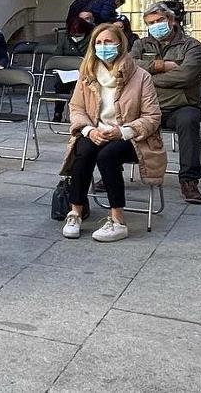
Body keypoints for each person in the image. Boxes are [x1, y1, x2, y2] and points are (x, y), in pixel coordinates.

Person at [59, 23, 164, 242]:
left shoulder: (140, 76)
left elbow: (152, 117)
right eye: (98, 42)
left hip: (132, 137)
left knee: (108, 155)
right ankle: (75, 212)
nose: (103, 46)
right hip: (96, 132)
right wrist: (88, 130)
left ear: (120, 44)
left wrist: (123, 131)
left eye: (108, 42)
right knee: (83, 149)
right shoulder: (87, 74)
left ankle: (118, 220)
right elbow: (76, 108)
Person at [132, 2, 201, 204]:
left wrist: (147, 78)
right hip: (148, 106)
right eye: (150, 23)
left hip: (180, 105)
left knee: (189, 121)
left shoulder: (192, 45)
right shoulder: (141, 44)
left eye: (159, 21)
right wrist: (161, 65)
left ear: (171, 21)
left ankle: (189, 181)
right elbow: (128, 67)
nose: (155, 26)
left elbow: (186, 75)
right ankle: (110, 169)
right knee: (119, 116)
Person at [53, 13, 95, 120]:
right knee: (60, 85)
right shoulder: (65, 38)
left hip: (83, 71)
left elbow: (91, 56)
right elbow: (57, 56)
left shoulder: (91, 38)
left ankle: (83, 114)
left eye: (79, 34)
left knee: (83, 85)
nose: (76, 37)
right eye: (74, 35)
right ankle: (58, 112)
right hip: (66, 72)